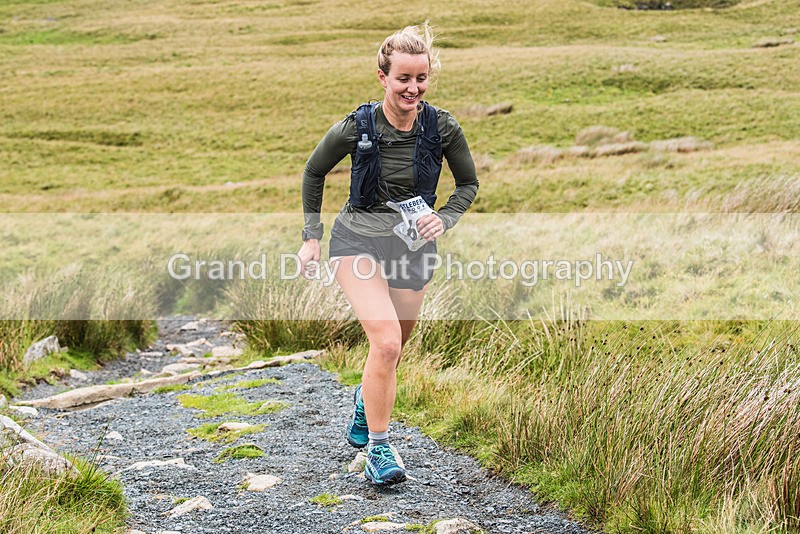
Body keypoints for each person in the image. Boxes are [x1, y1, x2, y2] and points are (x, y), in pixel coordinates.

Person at [297, 22, 478, 486]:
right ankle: (379, 449)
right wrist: (312, 236)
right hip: (356, 240)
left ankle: (366, 398)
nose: (412, 88)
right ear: (383, 77)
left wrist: (446, 217)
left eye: (421, 78)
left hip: (414, 245)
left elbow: (468, 184)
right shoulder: (357, 126)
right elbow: (314, 171)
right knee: (387, 342)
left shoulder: (443, 127)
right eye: (403, 79)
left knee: (396, 346)